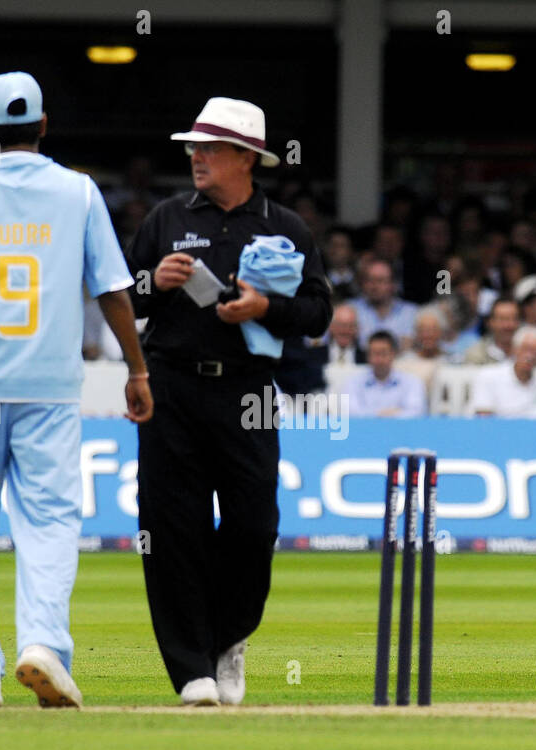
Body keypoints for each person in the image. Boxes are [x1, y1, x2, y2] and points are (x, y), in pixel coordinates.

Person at [0, 72, 152, 709]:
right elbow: (112, 290)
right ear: (44, 126)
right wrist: (137, 368)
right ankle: (42, 641)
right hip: (48, 384)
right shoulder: (79, 192)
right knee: (48, 522)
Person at [125, 96, 330, 705]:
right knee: (170, 527)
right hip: (172, 384)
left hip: (248, 388)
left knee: (254, 524)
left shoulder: (285, 227)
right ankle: (192, 671)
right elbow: (123, 296)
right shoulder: (165, 217)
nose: (195, 156)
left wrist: (265, 308)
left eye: (208, 148)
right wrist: (153, 283)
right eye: (193, 147)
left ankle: (229, 638)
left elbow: (319, 312)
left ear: (245, 157)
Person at [470, 326, 536, 418]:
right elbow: (483, 419)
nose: (531, 356)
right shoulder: (488, 376)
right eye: (527, 349)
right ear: (515, 349)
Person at [343, 330, 426, 418]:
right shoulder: (353, 382)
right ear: (368, 356)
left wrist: (374, 414)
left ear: (393, 354)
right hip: (364, 431)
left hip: (401, 431)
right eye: (375, 354)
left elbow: (417, 412)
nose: (379, 360)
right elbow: (349, 412)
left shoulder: (412, 382)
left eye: (383, 353)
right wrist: (385, 414)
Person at [351, 257, 417, 351]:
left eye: (380, 280)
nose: (374, 286)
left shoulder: (412, 313)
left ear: (393, 284)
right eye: (370, 280)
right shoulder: (350, 311)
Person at [461, 297, 519, 365]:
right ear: (491, 322)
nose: (507, 325)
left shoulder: (528, 350)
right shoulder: (475, 354)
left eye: (513, 319)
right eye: (502, 319)